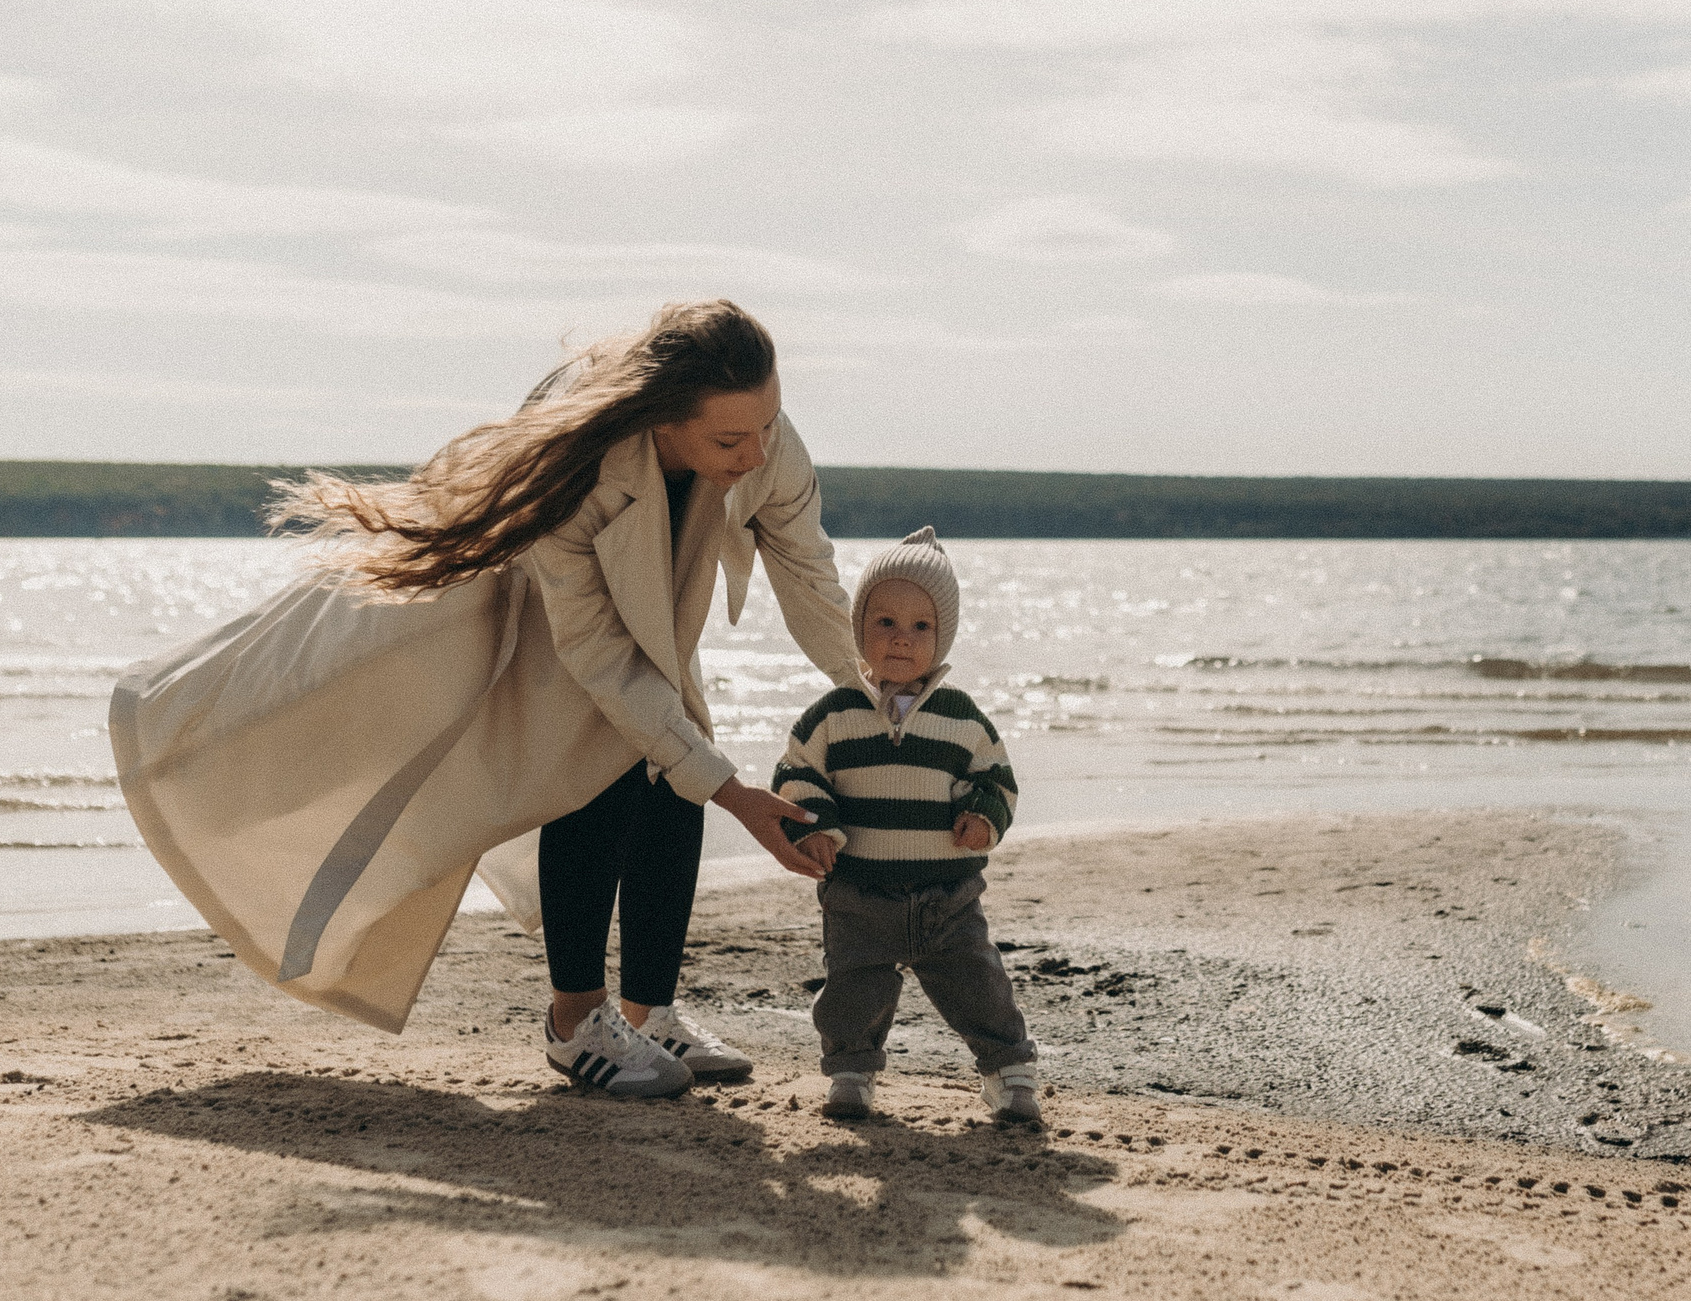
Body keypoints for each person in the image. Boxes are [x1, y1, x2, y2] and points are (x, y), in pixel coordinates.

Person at [116, 299, 858, 1090]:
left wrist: (878, 692)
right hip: (527, 604)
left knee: (677, 757)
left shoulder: (767, 445)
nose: (756, 452)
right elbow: (599, 656)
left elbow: (809, 575)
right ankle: (576, 1022)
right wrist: (737, 796)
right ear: (662, 417)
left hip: (654, 601)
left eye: (767, 424)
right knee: (596, 763)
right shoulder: (581, 466)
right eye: (730, 440)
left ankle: (651, 1015)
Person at [769, 528, 1039, 1123]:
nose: (901, 638)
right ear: (858, 629)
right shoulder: (835, 713)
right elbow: (796, 773)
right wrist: (815, 828)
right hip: (859, 890)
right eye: (885, 622)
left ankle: (1009, 1069)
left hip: (948, 893)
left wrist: (983, 818)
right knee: (853, 986)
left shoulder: (961, 717)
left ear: (943, 637)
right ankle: (851, 1071)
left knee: (977, 982)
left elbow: (997, 779)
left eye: (921, 626)